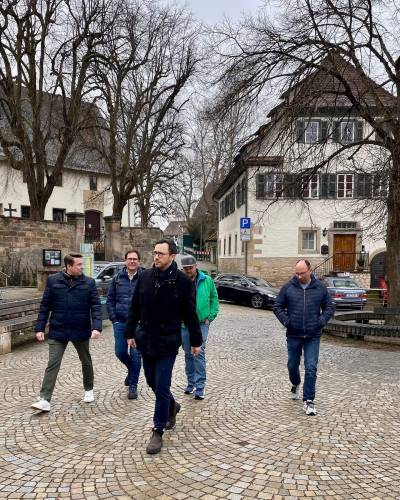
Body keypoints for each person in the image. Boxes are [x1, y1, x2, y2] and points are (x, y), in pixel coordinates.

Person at [125, 239, 202, 455]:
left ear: (172, 256)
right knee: (151, 381)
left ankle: (158, 430)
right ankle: (173, 406)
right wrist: (129, 332)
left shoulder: (183, 282)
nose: (156, 256)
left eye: (160, 253)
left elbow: (190, 314)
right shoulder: (145, 276)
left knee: (161, 386)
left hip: (168, 342)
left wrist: (196, 341)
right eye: (155, 252)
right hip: (146, 339)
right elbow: (134, 307)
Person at [31, 253, 102, 412]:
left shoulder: (89, 282)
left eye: (82, 264)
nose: (82, 267)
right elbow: (45, 306)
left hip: (80, 328)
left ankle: (89, 389)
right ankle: (44, 399)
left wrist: (96, 327)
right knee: (53, 363)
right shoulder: (53, 281)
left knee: (86, 360)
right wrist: (40, 328)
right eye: (78, 265)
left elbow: (96, 306)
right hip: (58, 329)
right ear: (69, 266)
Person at [273, 259, 334, 416]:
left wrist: (321, 322)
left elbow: (329, 307)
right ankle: (295, 383)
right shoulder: (288, 287)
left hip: (313, 335)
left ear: (309, 270)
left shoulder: (320, 287)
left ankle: (309, 401)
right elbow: (277, 306)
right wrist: (287, 321)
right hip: (294, 334)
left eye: (302, 273)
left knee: (311, 367)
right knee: (292, 365)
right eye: (297, 273)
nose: (299, 276)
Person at [180, 255, 219, 400]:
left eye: (191, 268)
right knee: (188, 354)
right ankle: (191, 383)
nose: (189, 270)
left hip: (201, 322)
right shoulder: (180, 281)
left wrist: (211, 316)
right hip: (184, 324)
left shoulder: (207, 280)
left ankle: (200, 386)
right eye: (186, 268)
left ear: (196, 266)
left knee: (198, 352)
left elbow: (214, 298)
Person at [107, 250, 143, 400]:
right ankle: (132, 371)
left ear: (139, 261)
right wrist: (114, 319)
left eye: (135, 259)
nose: (132, 261)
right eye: (129, 259)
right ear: (125, 261)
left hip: (138, 324)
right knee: (120, 352)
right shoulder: (117, 278)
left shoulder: (145, 278)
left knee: (136, 355)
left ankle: (133, 385)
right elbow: (110, 300)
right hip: (120, 322)